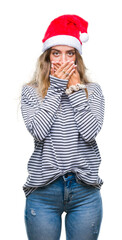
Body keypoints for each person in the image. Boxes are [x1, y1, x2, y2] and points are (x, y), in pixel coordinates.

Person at [21, 14, 105, 240]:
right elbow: (38, 133)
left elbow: (89, 134)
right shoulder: (31, 92)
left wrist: (76, 91)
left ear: (77, 58)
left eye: (70, 53)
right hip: (43, 191)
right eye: (56, 53)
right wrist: (57, 88)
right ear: (47, 56)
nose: (62, 60)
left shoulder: (93, 91)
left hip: (84, 192)